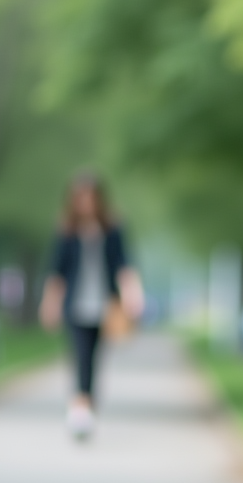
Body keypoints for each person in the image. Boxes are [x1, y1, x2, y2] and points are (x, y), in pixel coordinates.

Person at [39, 174, 144, 440]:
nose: (86, 203)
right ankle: (80, 409)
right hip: (75, 306)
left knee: (94, 359)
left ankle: (85, 407)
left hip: (104, 307)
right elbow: (57, 271)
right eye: (81, 198)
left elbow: (123, 265)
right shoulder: (67, 230)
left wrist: (133, 295)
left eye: (91, 197)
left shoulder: (112, 229)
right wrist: (49, 304)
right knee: (81, 356)